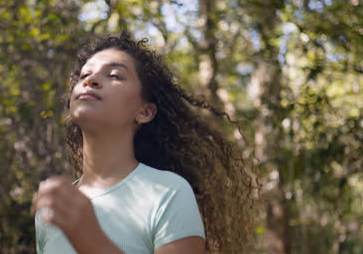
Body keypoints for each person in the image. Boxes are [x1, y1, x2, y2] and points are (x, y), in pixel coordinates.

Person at [32, 33, 255, 254]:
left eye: (115, 75)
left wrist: (90, 239)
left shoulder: (169, 192)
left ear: (145, 111)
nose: (90, 81)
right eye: (84, 75)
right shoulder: (52, 210)